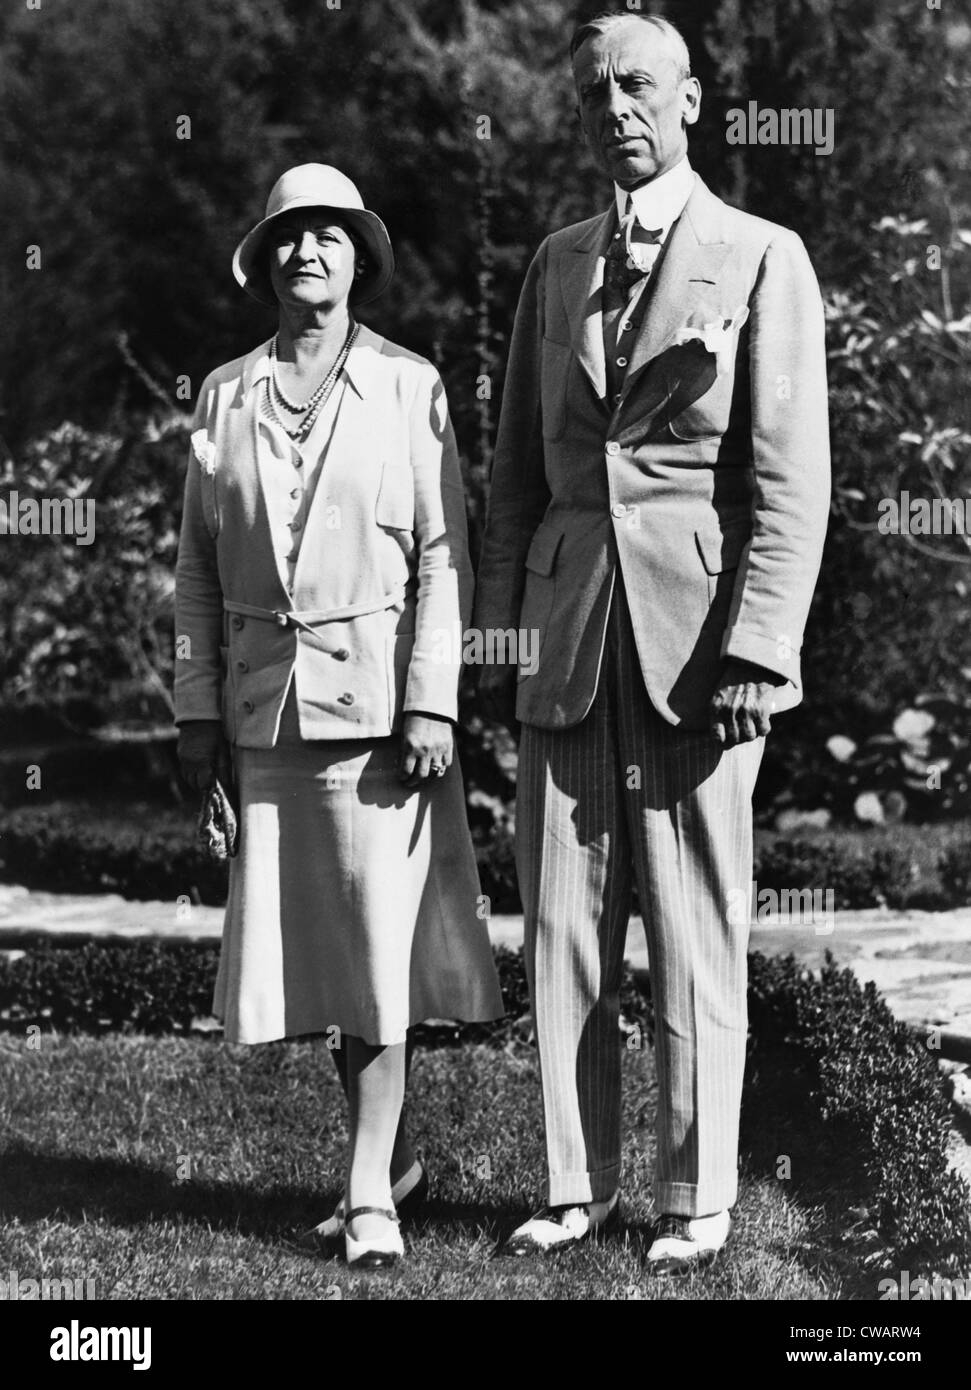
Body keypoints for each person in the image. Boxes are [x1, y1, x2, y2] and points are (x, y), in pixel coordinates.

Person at [475, 13, 830, 1274]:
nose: (613, 107)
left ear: (688, 100)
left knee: (691, 921)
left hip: (697, 644)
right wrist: (508, 638)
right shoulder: (552, 263)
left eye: (635, 85)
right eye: (591, 93)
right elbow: (513, 480)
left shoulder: (758, 256)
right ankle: (573, 1186)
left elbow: (790, 484)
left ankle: (697, 1196)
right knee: (563, 922)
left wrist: (755, 651)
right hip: (568, 635)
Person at [175, 163, 503, 1271]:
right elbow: (195, 575)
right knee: (322, 959)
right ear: (264, 259)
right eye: (287, 235)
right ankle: (395, 1158)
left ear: (361, 258)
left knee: (375, 957)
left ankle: (369, 1196)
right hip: (266, 718)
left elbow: (444, 562)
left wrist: (431, 700)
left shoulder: (409, 387)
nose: (306, 250)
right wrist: (195, 712)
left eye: (330, 234)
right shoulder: (224, 394)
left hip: (379, 722)